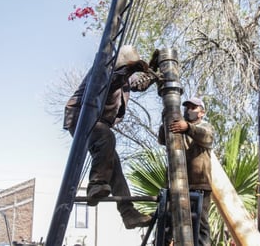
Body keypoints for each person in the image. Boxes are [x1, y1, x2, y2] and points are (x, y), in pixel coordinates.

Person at [63, 45, 156, 229]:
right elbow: (111, 81)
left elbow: (138, 84)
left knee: (114, 166)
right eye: (127, 68)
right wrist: (130, 68)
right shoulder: (104, 70)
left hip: (98, 124)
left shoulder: (125, 80)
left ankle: (128, 213)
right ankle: (96, 183)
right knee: (106, 136)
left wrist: (152, 73)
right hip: (81, 118)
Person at [158, 97, 214, 246]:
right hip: (177, 185)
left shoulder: (205, 127)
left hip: (199, 185)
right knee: (167, 223)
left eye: (193, 108)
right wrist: (166, 119)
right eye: (187, 107)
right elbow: (163, 139)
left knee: (200, 225)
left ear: (202, 113)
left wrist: (188, 128)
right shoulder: (178, 129)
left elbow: (206, 137)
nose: (188, 110)